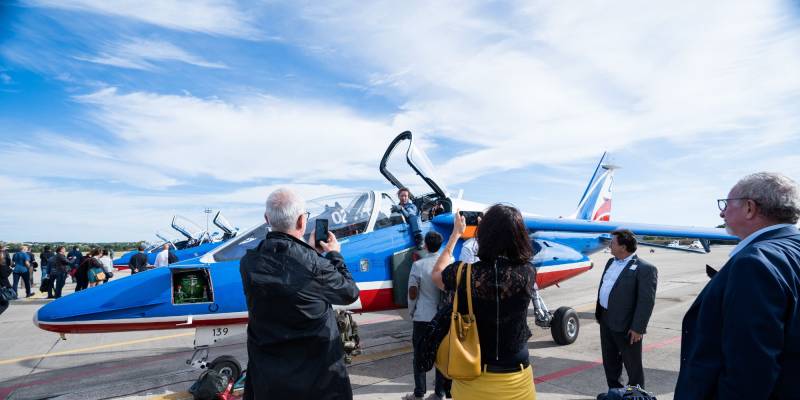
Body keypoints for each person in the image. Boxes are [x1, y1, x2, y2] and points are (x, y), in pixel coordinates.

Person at [675, 172, 800, 399]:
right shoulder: (792, 250)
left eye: (727, 204)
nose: (722, 212)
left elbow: (751, 370)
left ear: (750, 208)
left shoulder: (753, 263)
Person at [240, 188, 360, 400]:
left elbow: (285, 266)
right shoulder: (315, 265)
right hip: (318, 383)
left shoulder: (249, 262)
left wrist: (311, 253)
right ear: (302, 222)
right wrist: (334, 255)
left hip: (268, 383)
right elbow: (349, 293)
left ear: (267, 219)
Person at [432, 204, 537, 400]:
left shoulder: (465, 273)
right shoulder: (528, 272)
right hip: (518, 379)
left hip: (473, 378)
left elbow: (437, 275)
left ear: (484, 234)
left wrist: (456, 235)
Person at [595, 230, 657, 398]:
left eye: (613, 243)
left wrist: (638, 328)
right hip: (606, 319)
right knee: (610, 362)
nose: (610, 246)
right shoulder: (610, 262)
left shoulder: (645, 268)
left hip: (627, 325)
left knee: (633, 365)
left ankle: (637, 396)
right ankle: (615, 393)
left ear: (623, 247)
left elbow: (646, 301)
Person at [404, 231, 453, 400]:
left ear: (425, 245)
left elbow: (412, 293)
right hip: (443, 317)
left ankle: (419, 393)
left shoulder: (418, 265)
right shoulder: (450, 263)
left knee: (419, 354)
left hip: (422, 317)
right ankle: (439, 392)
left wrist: (412, 312)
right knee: (441, 354)